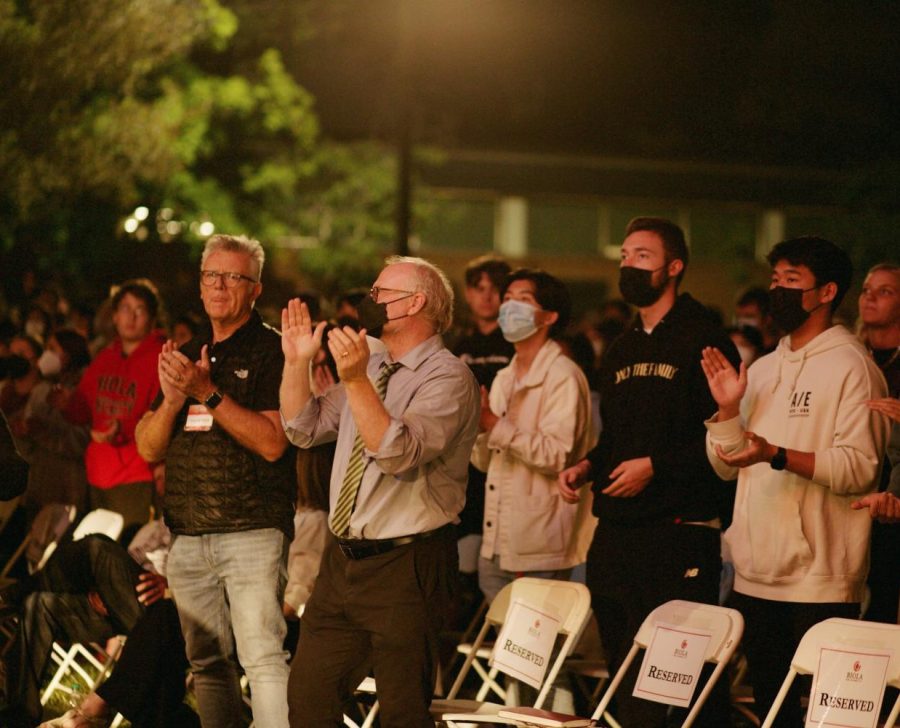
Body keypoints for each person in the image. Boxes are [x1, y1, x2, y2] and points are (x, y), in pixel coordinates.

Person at [280, 255, 480, 728]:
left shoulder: (448, 377)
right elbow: (302, 427)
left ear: (416, 303)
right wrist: (297, 363)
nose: (368, 303)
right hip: (342, 559)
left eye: (379, 294)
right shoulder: (371, 364)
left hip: (407, 564)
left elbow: (396, 452)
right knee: (309, 697)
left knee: (402, 712)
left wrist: (354, 379)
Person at [557, 217, 739, 727]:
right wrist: (588, 465)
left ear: (673, 267)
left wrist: (656, 467)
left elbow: (721, 442)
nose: (628, 265)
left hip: (677, 534)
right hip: (616, 534)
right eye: (624, 256)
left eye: (642, 256)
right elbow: (617, 436)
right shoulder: (622, 346)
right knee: (623, 676)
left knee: (679, 688)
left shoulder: (704, 339)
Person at [701, 236, 890, 726]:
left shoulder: (853, 367)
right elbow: (725, 463)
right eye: (775, 280)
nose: (777, 290)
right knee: (770, 712)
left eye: (791, 281)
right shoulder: (762, 368)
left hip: (820, 581)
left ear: (826, 292)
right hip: (753, 572)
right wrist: (725, 411)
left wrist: (777, 454)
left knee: (824, 718)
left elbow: (858, 468)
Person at [135, 234, 295, 728]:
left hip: (252, 530)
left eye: (233, 277)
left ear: (255, 289)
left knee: (263, 660)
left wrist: (207, 392)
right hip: (188, 535)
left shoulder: (273, 351)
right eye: (211, 276)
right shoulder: (183, 355)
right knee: (207, 664)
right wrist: (173, 400)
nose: (220, 285)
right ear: (201, 287)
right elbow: (147, 446)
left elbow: (272, 442)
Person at [473, 269, 594, 602]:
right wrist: (480, 430)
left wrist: (494, 425)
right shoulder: (504, 378)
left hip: (540, 544)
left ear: (550, 316)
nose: (510, 307)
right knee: (506, 647)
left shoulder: (563, 376)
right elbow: (484, 463)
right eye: (508, 299)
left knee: (535, 647)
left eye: (523, 300)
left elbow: (558, 456)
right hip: (496, 538)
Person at [72, 280, 165, 537]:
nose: (131, 317)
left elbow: (164, 417)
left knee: (126, 554)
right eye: (124, 308)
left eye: (139, 309)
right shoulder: (106, 355)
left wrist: (123, 428)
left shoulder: (162, 357)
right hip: (97, 471)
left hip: (136, 474)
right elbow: (82, 409)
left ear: (152, 317)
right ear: (114, 316)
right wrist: (65, 403)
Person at [854, 262, 900, 623]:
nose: (870, 297)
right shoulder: (848, 357)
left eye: (885, 291)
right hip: (849, 494)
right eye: (867, 289)